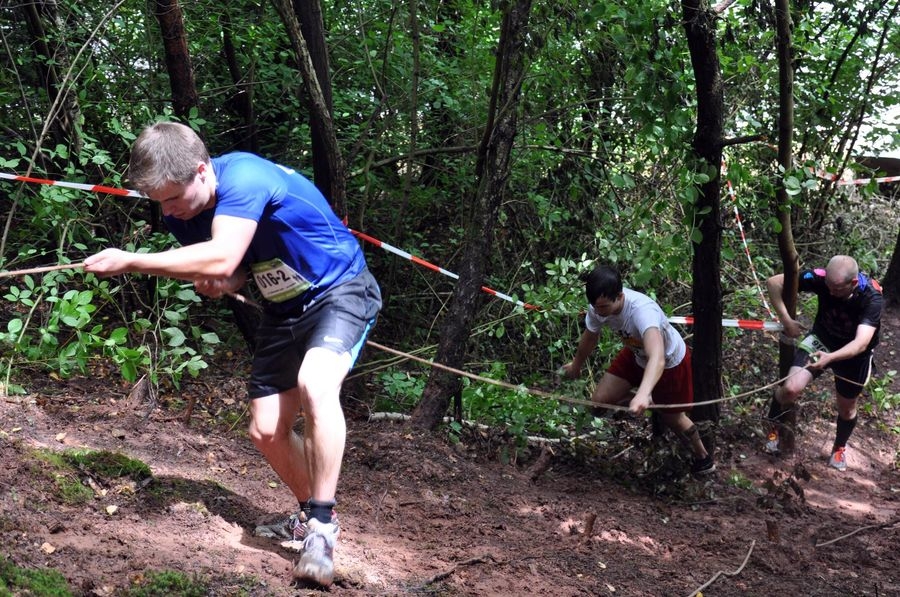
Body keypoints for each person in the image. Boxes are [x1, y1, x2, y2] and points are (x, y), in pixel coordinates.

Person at [84, 122, 382, 586]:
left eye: (173, 197)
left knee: (316, 383)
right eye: (159, 202)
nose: (168, 211)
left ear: (202, 172)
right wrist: (223, 282)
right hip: (283, 308)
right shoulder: (181, 215)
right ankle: (307, 513)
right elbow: (234, 269)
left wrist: (132, 260)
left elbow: (221, 255)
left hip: (340, 290)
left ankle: (322, 531)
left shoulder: (245, 177)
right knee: (266, 430)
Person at [561, 265, 715, 476]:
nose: (599, 312)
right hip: (635, 354)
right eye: (595, 307)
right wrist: (576, 365)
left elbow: (657, 357)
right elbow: (590, 337)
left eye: (604, 307)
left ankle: (703, 458)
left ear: (620, 297)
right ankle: (638, 398)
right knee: (598, 402)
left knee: (673, 418)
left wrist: (644, 392)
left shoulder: (642, 312)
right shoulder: (597, 304)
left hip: (669, 361)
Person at [764, 255, 882, 471]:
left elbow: (860, 344)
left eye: (836, 289)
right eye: (828, 286)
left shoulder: (871, 297)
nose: (830, 292)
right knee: (790, 388)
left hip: (854, 355)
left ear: (853, 283)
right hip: (822, 339)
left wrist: (831, 358)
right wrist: (786, 320)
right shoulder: (821, 278)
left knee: (847, 409)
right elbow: (774, 283)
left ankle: (839, 447)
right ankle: (773, 427)